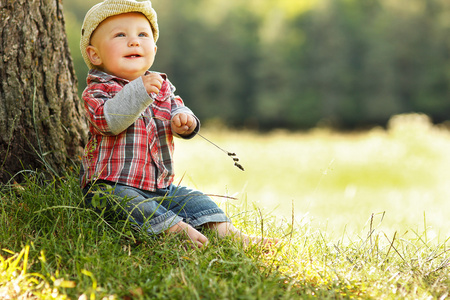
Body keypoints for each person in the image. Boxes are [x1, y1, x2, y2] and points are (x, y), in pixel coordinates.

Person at [79, 0, 277, 248]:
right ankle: (172, 230)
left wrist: (185, 120)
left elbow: (177, 107)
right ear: (94, 54)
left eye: (143, 34)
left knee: (195, 200)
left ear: (154, 48)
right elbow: (107, 122)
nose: (134, 41)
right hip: (110, 186)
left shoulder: (161, 85)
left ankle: (229, 234)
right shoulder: (98, 89)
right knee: (124, 202)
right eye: (120, 35)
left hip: (160, 187)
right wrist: (139, 92)